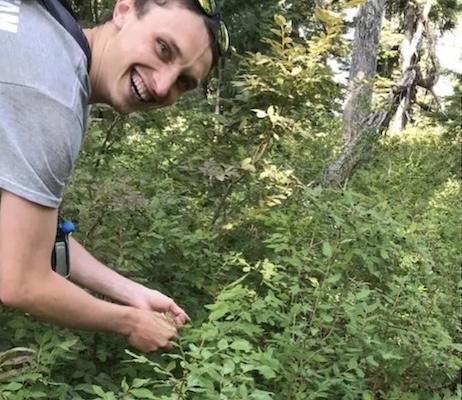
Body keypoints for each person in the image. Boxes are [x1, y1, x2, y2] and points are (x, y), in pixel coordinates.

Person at [0, 0, 229, 353]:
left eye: (184, 82)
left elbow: (28, 238)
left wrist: (132, 293)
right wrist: (130, 321)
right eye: (163, 48)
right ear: (124, 10)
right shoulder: (52, 97)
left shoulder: (43, 30)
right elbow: (21, 281)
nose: (162, 84)